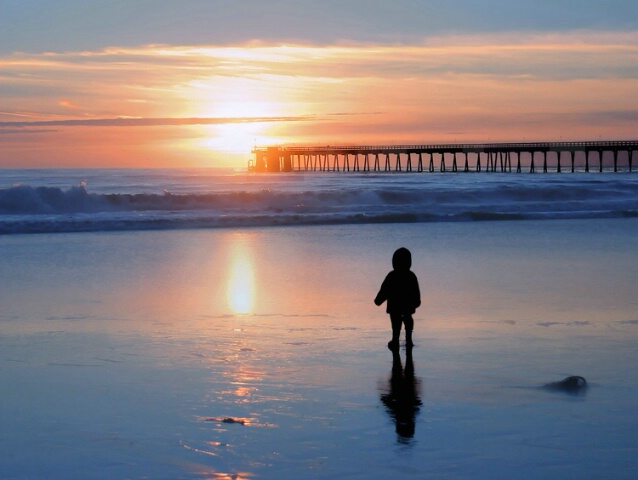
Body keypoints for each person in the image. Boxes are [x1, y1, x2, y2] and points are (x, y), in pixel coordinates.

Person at [374, 247, 421, 349]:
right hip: (407, 306)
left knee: (396, 321)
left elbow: (384, 291)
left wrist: (378, 300)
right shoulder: (411, 276)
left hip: (395, 306)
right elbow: (416, 294)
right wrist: (417, 302)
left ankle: (396, 340)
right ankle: (408, 339)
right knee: (407, 319)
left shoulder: (392, 276)